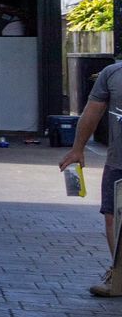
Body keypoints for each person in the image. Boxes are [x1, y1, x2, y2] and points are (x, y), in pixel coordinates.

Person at [59, 58, 122, 298]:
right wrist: (77, 149)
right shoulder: (113, 73)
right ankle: (119, 275)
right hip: (118, 162)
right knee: (113, 218)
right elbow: (92, 112)